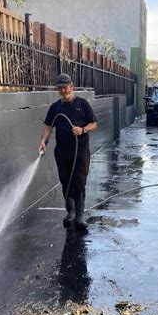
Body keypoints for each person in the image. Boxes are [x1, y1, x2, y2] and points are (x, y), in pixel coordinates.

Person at [38, 74, 98, 231]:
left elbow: (94, 124)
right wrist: (43, 141)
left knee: (79, 183)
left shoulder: (82, 104)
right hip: (62, 152)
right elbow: (48, 127)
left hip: (80, 151)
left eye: (65, 87)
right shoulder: (55, 108)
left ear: (72, 86)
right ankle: (70, 213)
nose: (63, 90)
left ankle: (80, 216)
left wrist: (82, 129)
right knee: (66, 181)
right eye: (60, 88)